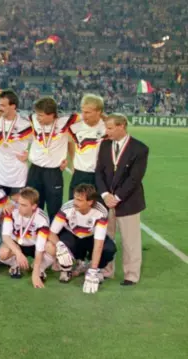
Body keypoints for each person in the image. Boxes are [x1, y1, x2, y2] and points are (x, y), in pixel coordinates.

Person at [95, 113, 148, 286]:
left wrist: (116, 197)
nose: (106, 131)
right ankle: (105, 270)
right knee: (105, 238)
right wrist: (104, 195)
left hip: (128, 201)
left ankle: (131, 275)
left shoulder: (140, 148)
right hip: (106, 200)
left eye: (110, 128)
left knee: (130, 240)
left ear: (121, 126)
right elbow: (99, 172)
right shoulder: (104, 145)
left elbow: (134, 178)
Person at [49, 184, 117, 294]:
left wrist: (93, 270)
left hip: (90, 237)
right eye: (75, 198)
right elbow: (51, 233)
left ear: (90, 202)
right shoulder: (67, 208)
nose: (75, 202)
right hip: (71, 235)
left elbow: (98, 243)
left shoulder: (100, 212)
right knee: (62, 244)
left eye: (79, 200)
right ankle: (67, 269)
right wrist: (59, 246)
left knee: (109, 249)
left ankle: (93, 269)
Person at [26, 97, 77, 220]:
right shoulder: (33, 119)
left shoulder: (65, 123)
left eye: (41, 115)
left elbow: (72, 141)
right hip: (35, 170)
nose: (38, 118)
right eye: (37, 114)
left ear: (52, 115)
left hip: (53, 172)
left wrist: (71, 161)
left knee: (54, 208)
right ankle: (34, 234)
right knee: (32, 205)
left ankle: (53, 236)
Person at [0, 187, 54, 288]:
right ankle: (16, 265)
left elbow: (40, 247)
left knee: (51, 248)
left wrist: (35, 273)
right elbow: (6, 236)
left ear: (34, 206)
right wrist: (18, 253)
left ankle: (40, 269)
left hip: (34, 246)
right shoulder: (11, 211)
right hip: (17, 245)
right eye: (19, 203)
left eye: (24, 205)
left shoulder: (42, 219)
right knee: (3, 253)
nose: (19, 207)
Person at [0, 89, 32, 199]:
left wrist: (30, 155)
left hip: (17, 176)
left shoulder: (26, 124)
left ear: (13, 106)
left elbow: (40, 142)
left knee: (16, 212)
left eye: (3, 105)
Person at [67, 94, 106, 199]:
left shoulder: (107, 127)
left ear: (98, 112)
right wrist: (73, 161)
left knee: (99, 211)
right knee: (75, 208)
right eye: (82, 111)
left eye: (88, 112)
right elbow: (69, 142)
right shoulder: (75, 126)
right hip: (79, 175)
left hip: (100, 176)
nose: (83, 115)